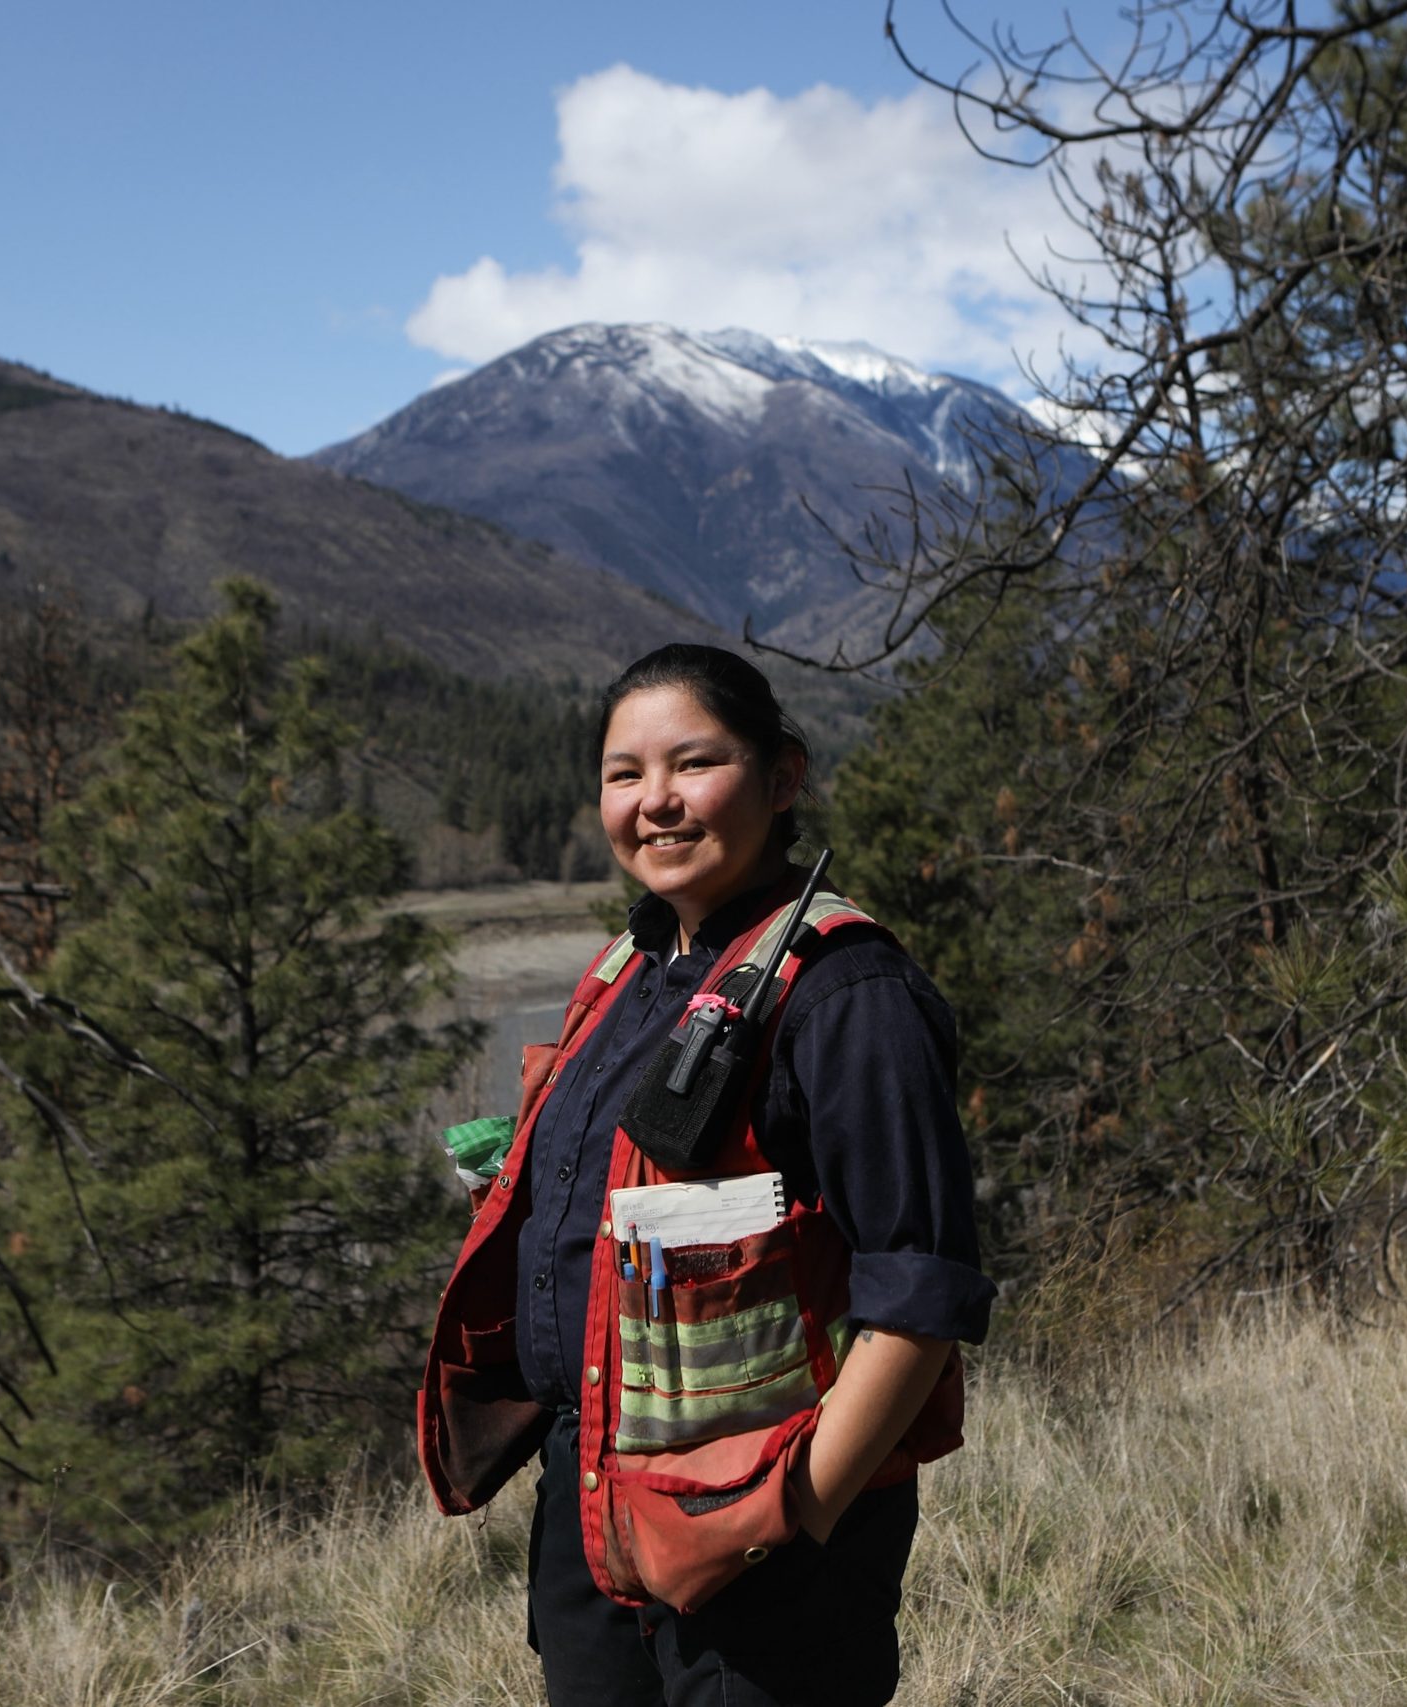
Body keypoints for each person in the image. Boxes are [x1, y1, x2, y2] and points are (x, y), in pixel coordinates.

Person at [418, 643, 995, 1706]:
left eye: (694, 763)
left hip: (769, 1546)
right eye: (624, 773)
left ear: (783, 777)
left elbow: (919, 1292)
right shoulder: (628, 971)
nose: (657, 800)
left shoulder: (846, 992)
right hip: (597, 1509)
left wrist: (799, 1514)